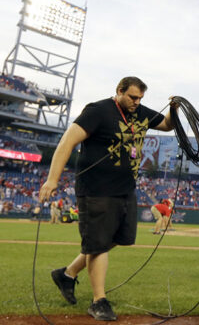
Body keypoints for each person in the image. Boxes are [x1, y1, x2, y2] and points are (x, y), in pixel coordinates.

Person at [38, 76, 176, 321]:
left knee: (118, 238)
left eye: (140, 98)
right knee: (99, 244)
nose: (136, 102)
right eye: (132, 97)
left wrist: (175, 109)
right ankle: (98, 301)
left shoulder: (141, 112)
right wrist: (52, 179)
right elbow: (67, 142)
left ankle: (67, 274)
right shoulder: (98, 110)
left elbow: (167, 125)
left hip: (125, 188)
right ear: (119, 91)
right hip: (96, 189)